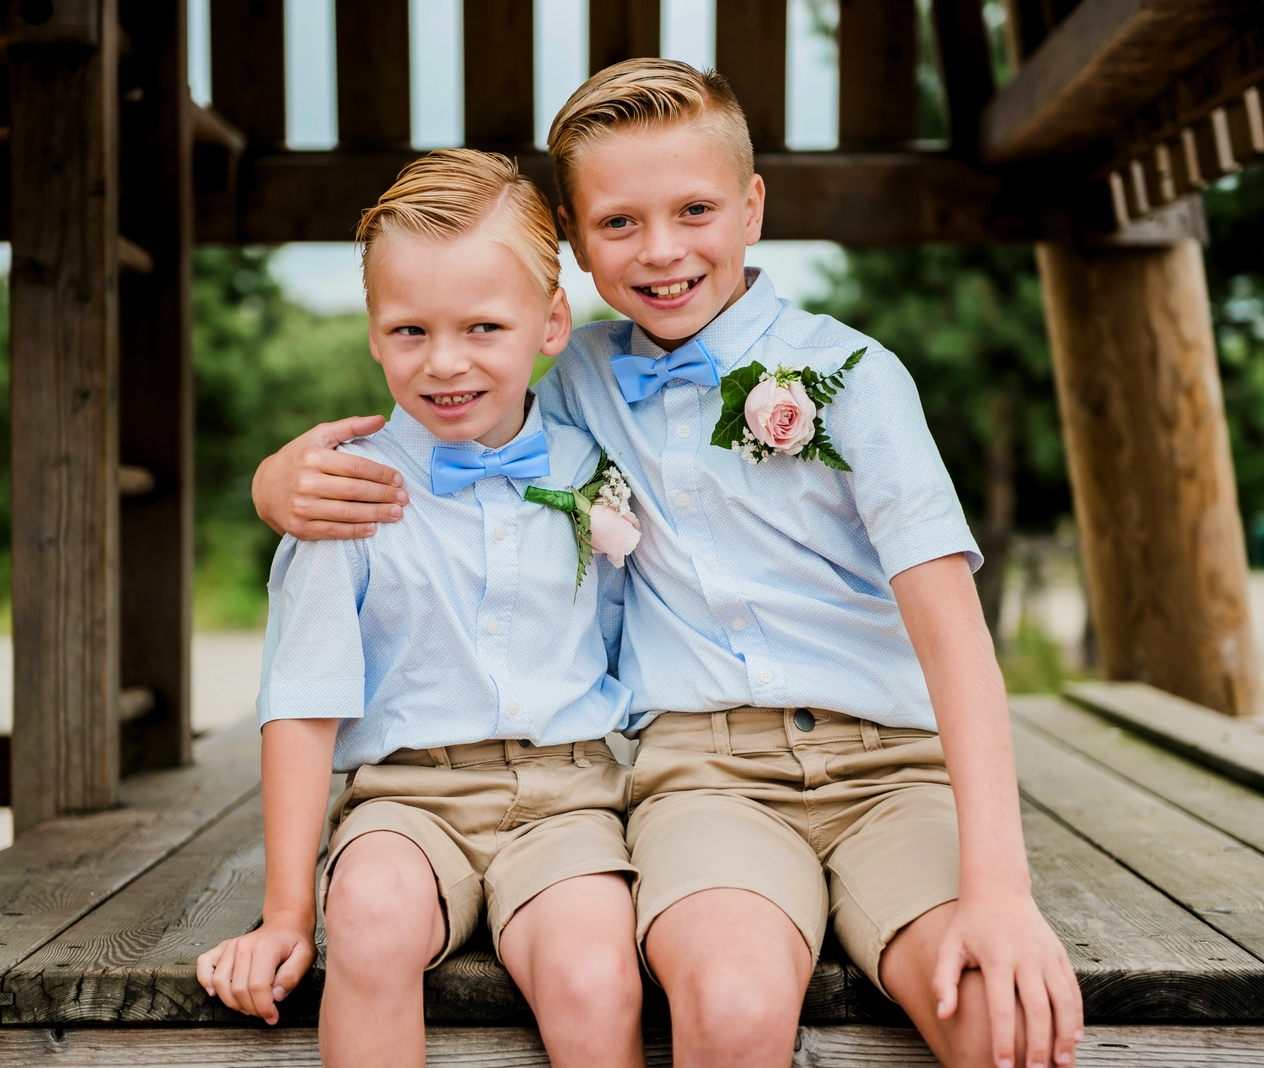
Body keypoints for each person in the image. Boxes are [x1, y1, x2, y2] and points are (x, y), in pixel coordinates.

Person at [251, 60, 1084, 1068]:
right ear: (575, 239)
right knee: (731, 1008)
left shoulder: (855, 380)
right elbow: (453, 425)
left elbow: (957, 645)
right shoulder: (573, 378)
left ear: (751, 207)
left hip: (897, 772)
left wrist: (1000, 894)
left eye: (694, 209)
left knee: (1005, 1020)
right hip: (704, 776)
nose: (661, 252)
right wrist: (277, 486)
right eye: (618, 224)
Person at [197, 149, 646, 1068]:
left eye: (484, 326)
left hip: (568, 798)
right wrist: (289, 914)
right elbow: (302, 703)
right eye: (409, 331)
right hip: (408, 800)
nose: (445, 363)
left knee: (595, 972)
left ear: (551, 322)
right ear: (372, 332)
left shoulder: (593, 470)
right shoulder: (342, 497)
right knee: (366, 922)